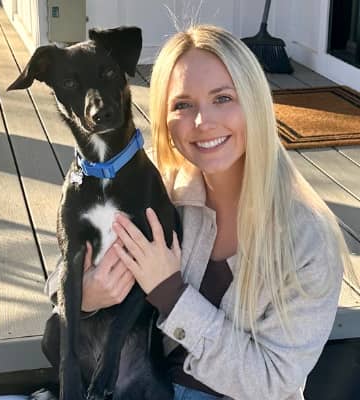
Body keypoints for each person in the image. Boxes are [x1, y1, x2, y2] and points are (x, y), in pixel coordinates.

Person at [44, 25, 351, 400]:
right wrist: (87, 297)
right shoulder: (156, 184)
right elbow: (62, 273)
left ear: (255, 101)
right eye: (183, 105)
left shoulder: (308, 240)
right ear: (164, 117)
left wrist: (171, 294)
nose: (203, 122)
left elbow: (272, 381)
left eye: (223, 98)